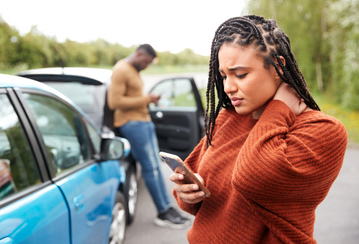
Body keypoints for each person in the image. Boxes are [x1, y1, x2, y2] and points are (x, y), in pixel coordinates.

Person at [170, 15, 348, 243]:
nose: (228, 87)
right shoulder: (226, 119)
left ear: (278, 67)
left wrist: (278, 108)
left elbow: (252, 179)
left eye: (240, 74)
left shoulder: (323, 131)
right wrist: (189, 196)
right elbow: (200, 198)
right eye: (224, 76)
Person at [107, 44, 190, 229]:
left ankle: (168, 208)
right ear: (139, 54)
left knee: (156, 167)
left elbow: (131, 96)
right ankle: (162, 213)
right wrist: (147, 99)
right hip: (132, 124)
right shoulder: (121, 70)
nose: (146, 66)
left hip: (143, 122)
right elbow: (114, 102)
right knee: (150, 168)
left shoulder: (133, 69)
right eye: (145, 62)